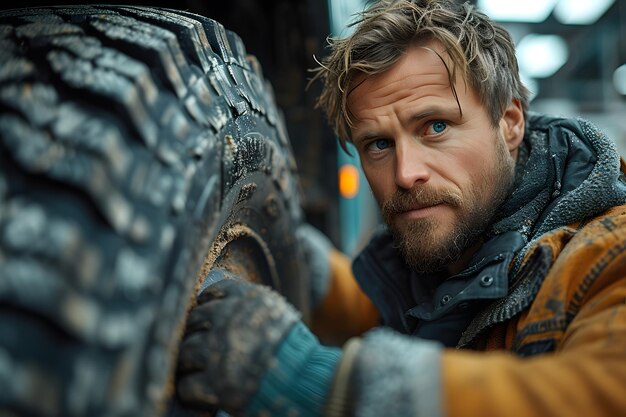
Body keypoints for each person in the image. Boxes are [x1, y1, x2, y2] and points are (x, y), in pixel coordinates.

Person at [175, 0, 626, 416]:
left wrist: (330, 384)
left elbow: (601, 394)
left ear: (508, 124)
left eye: (434, 126)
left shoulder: (609, 252)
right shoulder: (454, 247)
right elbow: (397, 311)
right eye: (378, 144)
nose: (406, 174)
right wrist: (298, 259)